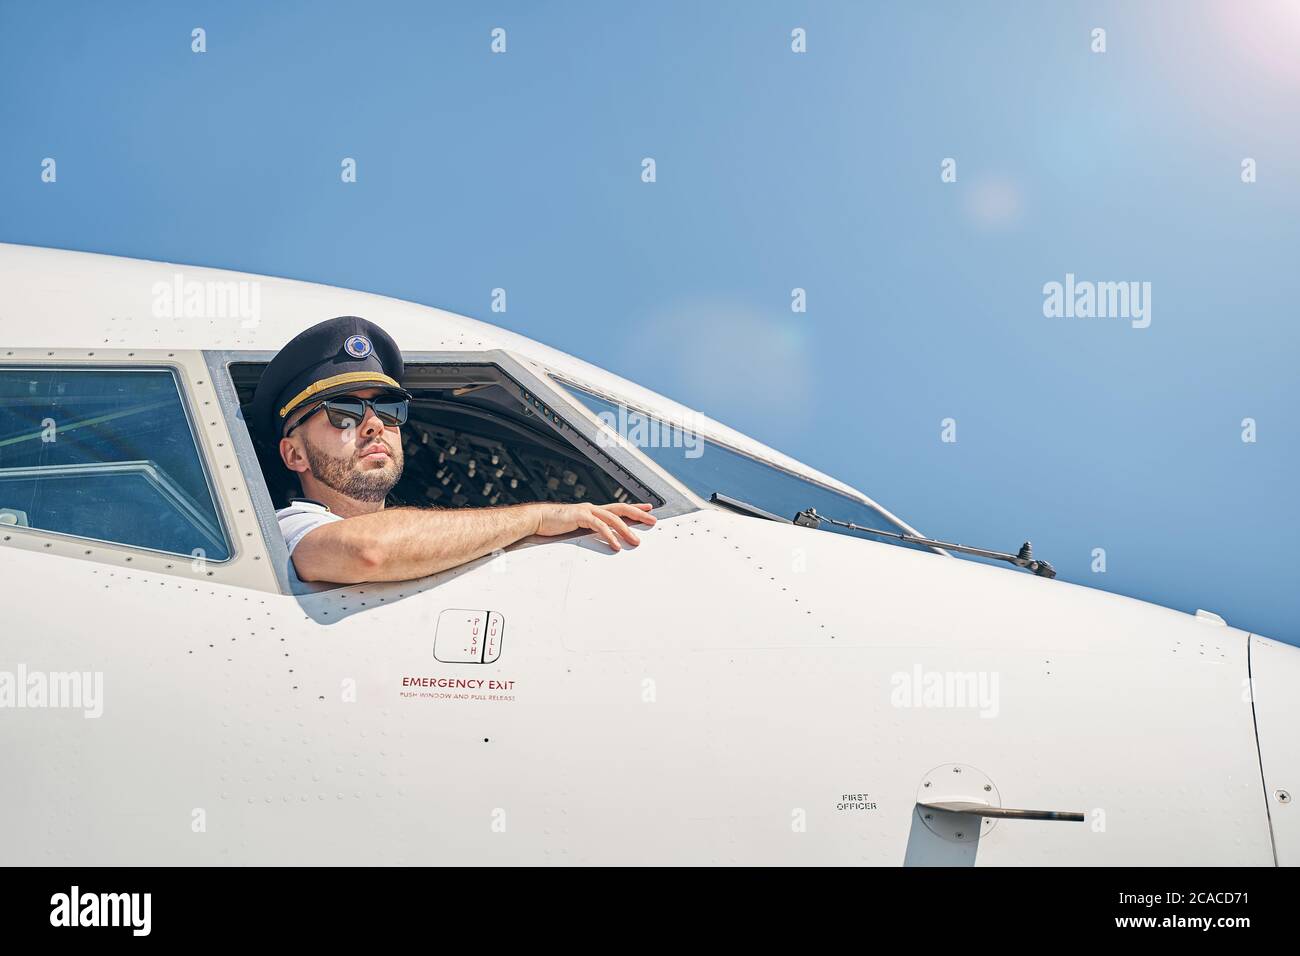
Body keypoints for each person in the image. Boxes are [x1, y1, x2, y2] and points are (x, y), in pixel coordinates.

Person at [249, 316, 655, 590]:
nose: (374, 424)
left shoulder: (427, 539)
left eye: (389, 409)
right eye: (344, 412)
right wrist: (537, 516)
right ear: (294, 455)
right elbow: (367, 551)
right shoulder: (284, 530)